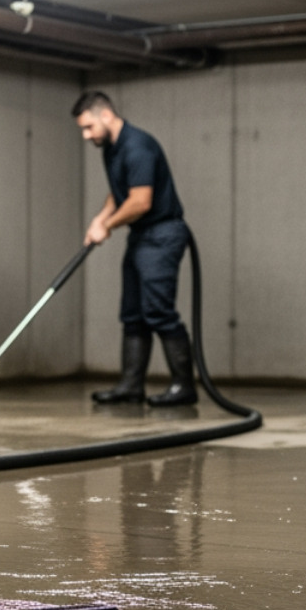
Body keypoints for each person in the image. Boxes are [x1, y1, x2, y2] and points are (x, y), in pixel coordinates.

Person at [74, 91, 197, 407]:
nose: (86, 136)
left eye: (88, 127)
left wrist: (109, 226)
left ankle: (185, 387)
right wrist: (99, 219)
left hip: (161, 235)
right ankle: (131, 387)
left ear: (106, 114)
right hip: (141, 236)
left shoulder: (137, 146)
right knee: (133, 313)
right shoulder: (111, 149)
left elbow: (140, 201)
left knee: (158, 311)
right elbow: (120, 192)